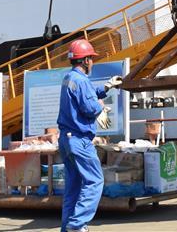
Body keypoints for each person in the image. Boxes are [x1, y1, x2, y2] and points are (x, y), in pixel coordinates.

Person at [57, 39, 123, 232]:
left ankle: (68, 228)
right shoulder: (81, 80)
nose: (92, 62)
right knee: (95, 181)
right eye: (91, 59)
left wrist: (107, 87)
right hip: (80, 141)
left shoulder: (69, 78)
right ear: (85, 60)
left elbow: (87, 95)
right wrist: (101, 108)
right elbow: (89, 106)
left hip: (66, 140)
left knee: (74, 188)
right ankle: (77, 226)